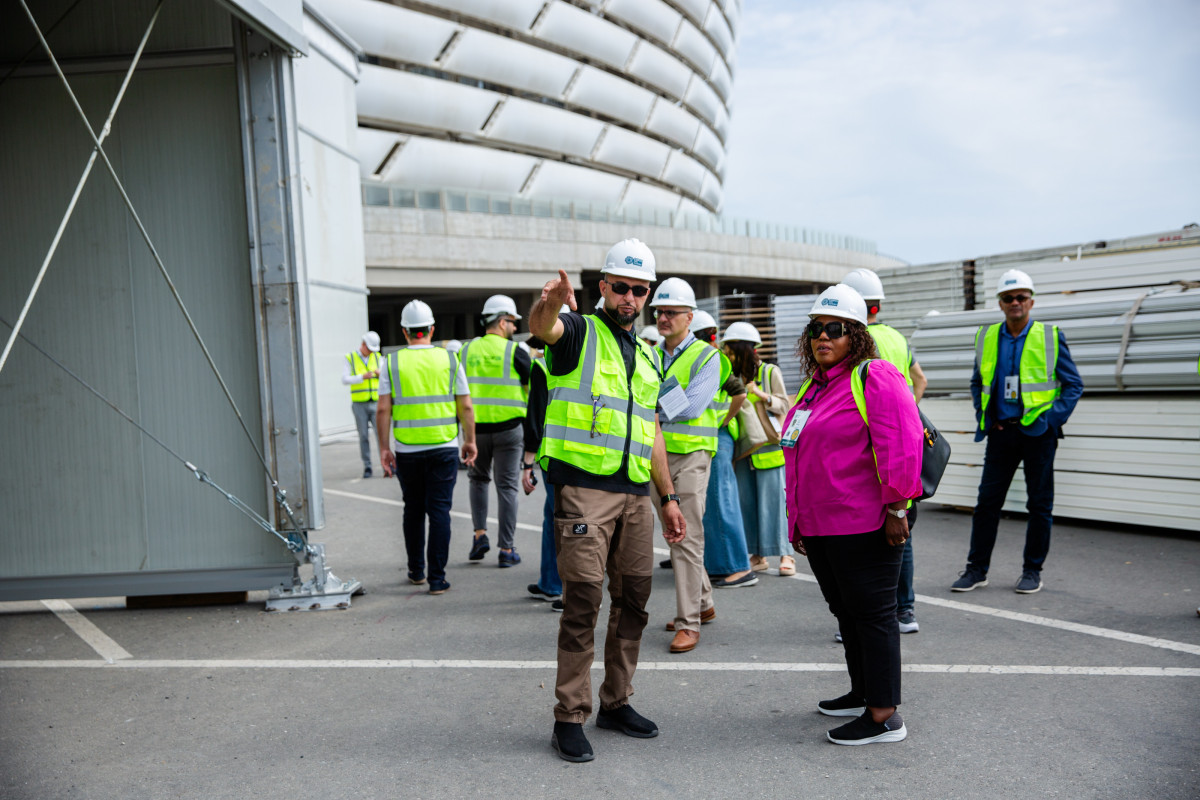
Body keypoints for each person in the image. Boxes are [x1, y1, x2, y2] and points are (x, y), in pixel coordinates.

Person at [528, 239, 686, 763]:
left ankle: (616, 701)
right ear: (604, 287)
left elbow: (653, 429)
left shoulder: (646, 355)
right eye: (622, 288)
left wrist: (668, 498)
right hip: (584, 494)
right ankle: (569, 716)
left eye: (640, 291)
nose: (631, 298)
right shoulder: (577, 332)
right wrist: (551, 302)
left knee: (635, 604)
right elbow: (541, 327)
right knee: (582, 606)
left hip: (636, 496)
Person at [783, 283, 923, 746]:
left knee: (875, 615)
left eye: (835, 329)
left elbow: (900, 444)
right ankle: (864, 692)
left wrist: (898, 507)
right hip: (823, 525)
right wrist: (797, 519)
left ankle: (884, 716)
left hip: (865, 522)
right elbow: (799, 456)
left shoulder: (874, 376)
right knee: (846, 612)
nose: (823, 337)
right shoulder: (815, 387)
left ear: (857, 335)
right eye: (816, 329)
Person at [952, 269, 1083, 594]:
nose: (1015, 302)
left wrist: (1050, 420)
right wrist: (986, 415)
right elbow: (977, 382)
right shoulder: (987, 336)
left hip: (1039, 433)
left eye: (1021, 297)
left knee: (1039, 506)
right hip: (1001, 432)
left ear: (1031, 301)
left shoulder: (1049, 336)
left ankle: (1032, 571)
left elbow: (1073, 385)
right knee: (986, 504)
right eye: (1008, 298)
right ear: (1000, 303)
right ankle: (976, 570)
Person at [842, 268, 928, 635]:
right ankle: (905, 611)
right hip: (906, 446)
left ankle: (866, 614)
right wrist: (908, 414)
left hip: (866, 446)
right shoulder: (897, 338)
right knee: (901, 526)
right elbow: (920, 380)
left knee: (864, 535)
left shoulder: (856, 342)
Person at [376, 300, 478, 596]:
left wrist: (384, 448)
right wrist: (469, 440)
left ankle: (416, 571)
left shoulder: (391, 362)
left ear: (405, 331)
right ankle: (437, 578)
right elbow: (466, 406)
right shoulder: (450, 360)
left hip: (407, 450)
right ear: (431, 329)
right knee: (440, 511)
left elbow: (383, 410)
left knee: (413, 509)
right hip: (444, 445)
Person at [650, 278, 725, 653]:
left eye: (671, 312)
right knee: (676, 529)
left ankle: (688, 622)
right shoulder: (649, 353)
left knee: (685, 535)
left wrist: (652, 407)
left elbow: (694, 405)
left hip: (694, 452)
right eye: (660, 312)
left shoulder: (709, 356)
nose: (663, 317)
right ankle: (703, 603)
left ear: (689, 317)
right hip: (656, 453)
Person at [461, 295, 532, 567]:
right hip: (509, 430)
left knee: (477, 481)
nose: (514, 328)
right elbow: (532, 389)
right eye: (513, 323)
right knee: (507, 487)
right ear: (502, 322)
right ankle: (506, 549)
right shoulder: (516, 353)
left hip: (475, 431)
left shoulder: (465, 351)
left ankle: (480, 535)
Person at [722, 322, 795, 577]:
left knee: (775, 505)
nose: (728, 354)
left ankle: (787, 554)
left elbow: (784, 405)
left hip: (770, 450)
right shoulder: (731, 375)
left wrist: (762, 395)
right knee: (748, 506)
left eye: (731, 349)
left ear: (744, 349)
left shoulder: (769, 372)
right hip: (743, 451)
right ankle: (757, 555)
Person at [689, 311, 753, 590]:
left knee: (721, 500)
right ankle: (719, 564)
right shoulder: (706, 356)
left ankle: (737, 568)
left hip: (717, 437)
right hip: (709, 437)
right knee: (713, 503)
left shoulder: (711, 358)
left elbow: (740, 393)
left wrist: (722, 420)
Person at [522, 312, 571, 612]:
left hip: (555, 455)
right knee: (564, 520)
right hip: (584, 453)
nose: (538, 351)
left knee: (559, 522)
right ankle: (551, 582)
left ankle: (558, 585)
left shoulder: (542, 366)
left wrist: (528, 463)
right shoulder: (582, 364)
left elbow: (536, 417)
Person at [343, 331, 381, 478]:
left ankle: (387, 465)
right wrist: (362, 377)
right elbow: (345, 379)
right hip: (359, 404)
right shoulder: (350, 358)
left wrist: (380, 373)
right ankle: (367, 466)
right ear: (363, 344)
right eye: (369, 348)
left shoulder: (377, 357)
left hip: (376, 401)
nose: (371, 352)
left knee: (381, 435)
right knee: (363, 436)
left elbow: (386, 374)